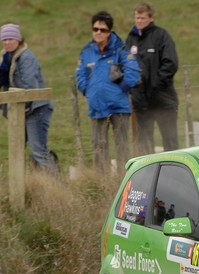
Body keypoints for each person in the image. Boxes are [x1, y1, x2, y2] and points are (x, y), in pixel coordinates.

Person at [76, 11, 140, 173]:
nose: (98, 32)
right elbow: (80, 75)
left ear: (109, 31)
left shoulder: (121, 50)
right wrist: (88, 90)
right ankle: (102, 185)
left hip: (119, 107)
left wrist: (121, 87)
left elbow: (134, 73)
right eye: (95, 29)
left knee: (123, 149)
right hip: (97, 108)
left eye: (102, 30)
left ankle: (125, 183)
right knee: (98, 149)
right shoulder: (86, 51)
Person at [0, 23, 58, 172]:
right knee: (17, 150)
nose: (7, 42)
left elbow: (29, 87)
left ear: (18, 40)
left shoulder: (26, 58)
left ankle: (55, 185)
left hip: (36, 109)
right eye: (4, 39)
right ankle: (24, 185)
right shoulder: (6, 58)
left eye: (11, 39)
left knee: (38, 152)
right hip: (20, 110)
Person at [126, 2, 179, 155]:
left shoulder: (161, 36)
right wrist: (133, 88)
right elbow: (124, 64)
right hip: (141, 103)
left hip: (163, 100)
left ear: (151, 18)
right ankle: (149, 177)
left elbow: (171, 63)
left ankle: (174, 174)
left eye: (142, 18)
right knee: (144, 145)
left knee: (170, 141)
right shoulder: (131, 40)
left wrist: (156, 84)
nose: (139, 21)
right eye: (137, 18)